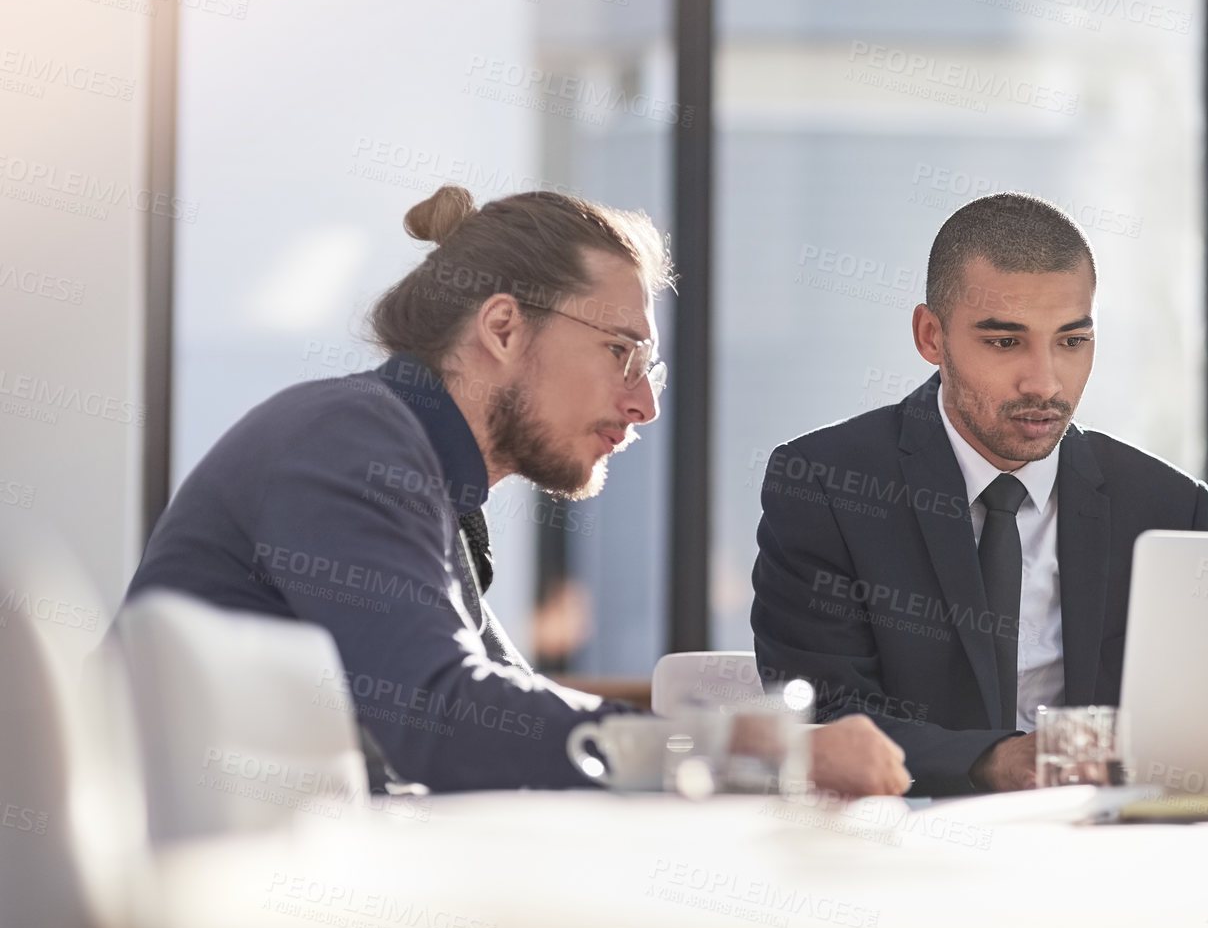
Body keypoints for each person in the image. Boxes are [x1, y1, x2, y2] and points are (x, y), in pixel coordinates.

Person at [126, 185, 909, 797]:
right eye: (620, 351)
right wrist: (752, 746)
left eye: (650, 368)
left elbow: (502, 707)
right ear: (501, 328)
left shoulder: (414, 474)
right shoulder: (348, 442)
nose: (646, 405)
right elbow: (446, 716)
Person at [751, 192, 1208, 796]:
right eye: (1004, 342)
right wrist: (997, 759)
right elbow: (824, 724)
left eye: (1072, 341)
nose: (1044, 382)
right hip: (899, 850)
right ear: (930, 337)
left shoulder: (1163, 506)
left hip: (1103, 853)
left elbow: (1190, 724)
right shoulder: (826, 484)